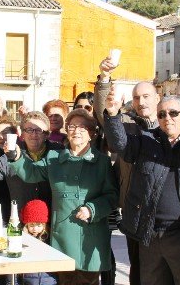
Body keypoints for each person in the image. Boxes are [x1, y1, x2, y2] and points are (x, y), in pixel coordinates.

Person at [103, 88, 180, 285]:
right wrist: (113, 115)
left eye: (173, 113)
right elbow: (120, 144)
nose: (167, 118)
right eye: (162, 114)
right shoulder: (146, 141)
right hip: (151, 236)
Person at [10, 108, 117, 284]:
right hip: (62, 237)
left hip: (90, 237)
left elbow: (112, 196)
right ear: (66, 131)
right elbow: (30, 173)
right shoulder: (54, 158)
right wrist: (15, 156)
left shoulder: (102, 162)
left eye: (83, 128)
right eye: (72, 126)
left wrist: (92, 209)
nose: (77, 131)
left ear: (91, 134)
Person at [95, 57, 161, 285]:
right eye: (136, 97)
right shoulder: (125, 126)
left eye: (146, 96)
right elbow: (105, 111)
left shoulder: (170, 126)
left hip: (164, 215)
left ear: (157, 98)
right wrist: (104, 78)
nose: (141, 102)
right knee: (138, 269)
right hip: (135, 210)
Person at [19, 199, 58, 285]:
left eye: (39, 225)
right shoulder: (23, 239)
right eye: (31, 225)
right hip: (29, 280)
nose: (35, 229)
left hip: (49, 280)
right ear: (26, 225)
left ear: (44, 225)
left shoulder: (49, 239)